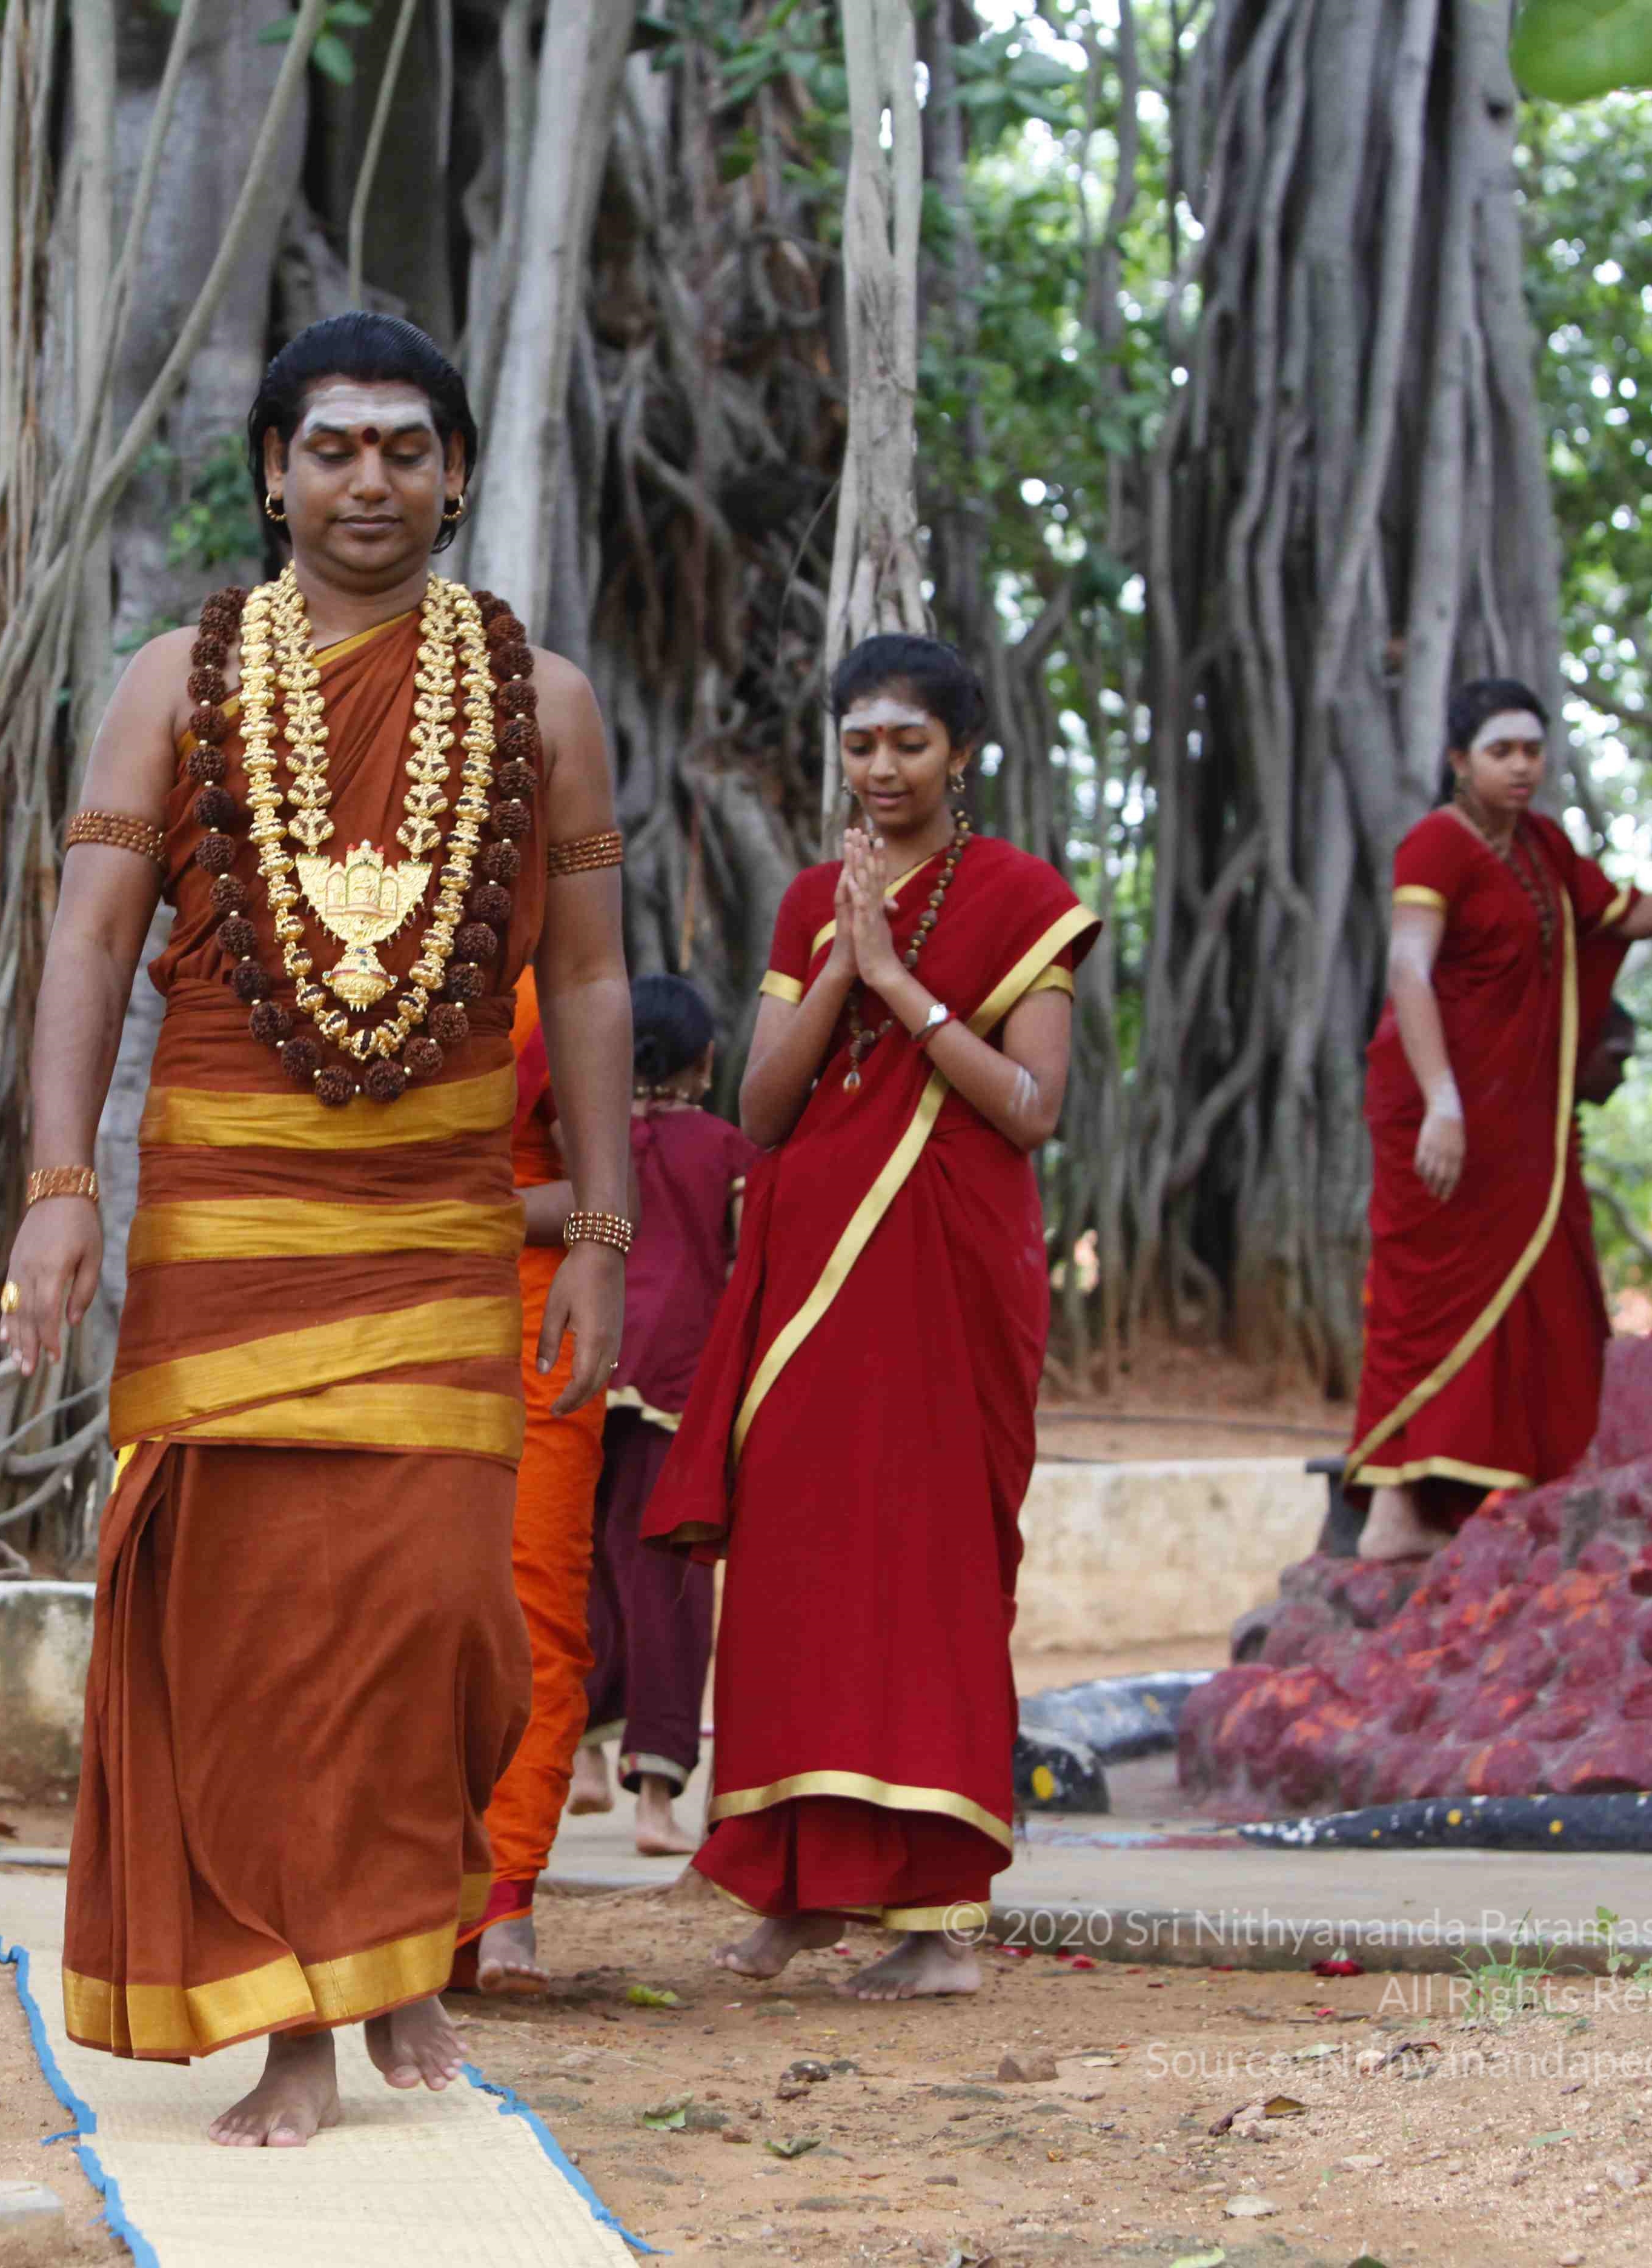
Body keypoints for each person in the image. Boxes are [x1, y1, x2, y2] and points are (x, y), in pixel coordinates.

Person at [1, 311, 633, 2146]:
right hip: (228, 1217)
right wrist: (59, 1189)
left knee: (440, 1616)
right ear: (274, 475)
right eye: (335, 448)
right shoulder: (173, 680)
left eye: (406, 449)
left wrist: (601, 1225)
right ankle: (297, 2014)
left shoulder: (545, 702)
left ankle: (403, 1933)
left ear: (456, 474)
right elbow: (89, 942)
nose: (372, 480)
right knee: (257, 1624)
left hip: (436, 1218)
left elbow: (592, 980)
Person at [644, 633, 1095, 2001]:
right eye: (860, 743)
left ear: (962, 753)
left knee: (929, 1570)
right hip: (808, 1287)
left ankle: (935, 1923)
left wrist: (901, 981)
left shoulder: (1023, 899)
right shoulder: (811, 901)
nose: (883, 767)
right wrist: (846, 960)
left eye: (910, 742)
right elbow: (762, 1109)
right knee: (797, 1568)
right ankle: (798, 1889)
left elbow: (1032, 1109)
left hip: (947, 1279)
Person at [1347, 678, 1652, 1559]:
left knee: (1552, 1294)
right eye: (1500, 751)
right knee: (1426, 1301)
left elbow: (1633, 916)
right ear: (1459, 760)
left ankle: (1483, 1496)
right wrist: (1443, 1104)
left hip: (1523, 1128)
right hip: (1440, 1113)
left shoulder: (1543, 845)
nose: (1521, 766)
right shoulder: (1436, 844)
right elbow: (1408, 970)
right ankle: (1394, 1509)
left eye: (1532, 751)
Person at [577, 974, 757, 1859]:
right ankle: (654, 1801)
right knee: (671, 1589)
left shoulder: (587, 1140)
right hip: (682, 1387)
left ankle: (581, 1756)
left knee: (583, 1569)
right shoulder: (727, 1150)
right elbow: (748, 1267)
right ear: (706, 1062)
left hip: (583, 1371)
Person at [462, 967, 605, 1994]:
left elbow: (600, 1199)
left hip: (529, 1321)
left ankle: (504, 1896)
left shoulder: (549, 994)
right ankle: (393, 1898)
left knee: (530, 1606)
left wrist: (451, 1215)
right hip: (383, 1307)